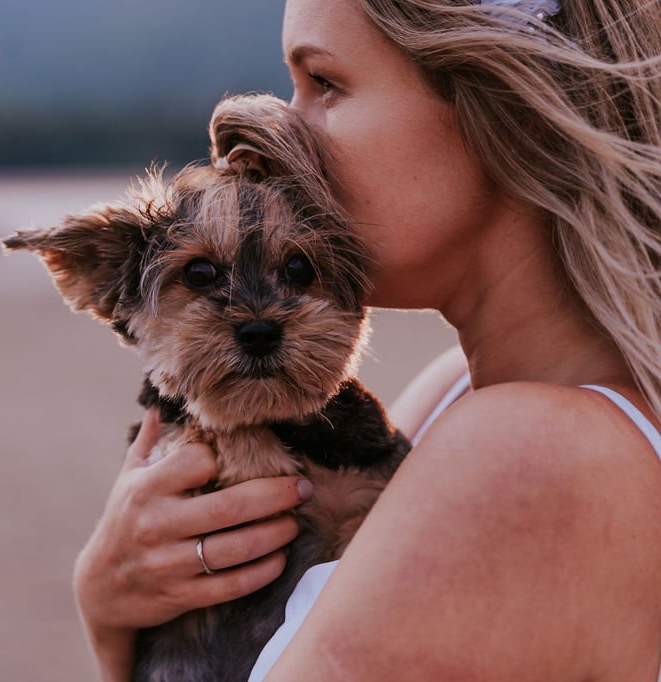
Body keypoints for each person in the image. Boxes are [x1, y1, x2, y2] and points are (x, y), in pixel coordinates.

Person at [72, 0, 661, 678]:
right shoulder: (455, 391)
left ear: (500, 111)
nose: (286, 129)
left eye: (325, 83)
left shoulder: (523, 453)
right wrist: (112, 602)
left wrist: (106, 618)